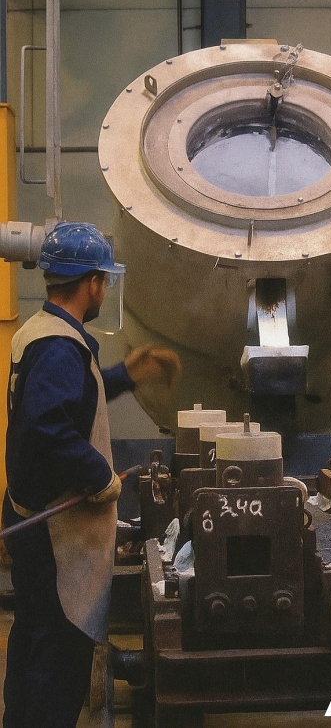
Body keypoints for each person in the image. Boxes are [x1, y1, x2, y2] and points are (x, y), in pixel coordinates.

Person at [2, 221, 181, 728]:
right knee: (57, 661)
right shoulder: (61, 348)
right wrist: (101, 476)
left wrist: (126, 375)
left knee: (33, 642)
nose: (104, 288)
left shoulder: (40, 332)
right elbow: (48, 427)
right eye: (104, 279)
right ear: (92, 283)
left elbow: (70, 396)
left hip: (31, 518)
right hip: (55, 535)